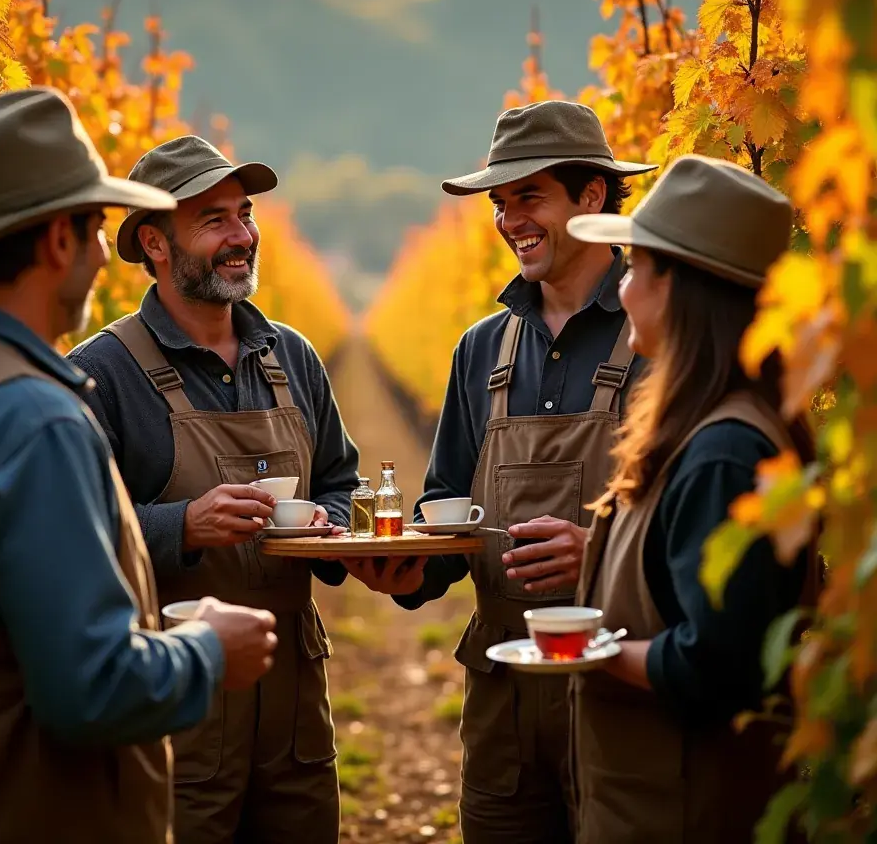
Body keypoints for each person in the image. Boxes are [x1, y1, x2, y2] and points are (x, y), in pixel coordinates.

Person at [0, 87, 280, 844]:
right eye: (92, 230)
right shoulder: (35, 420)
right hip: (50, 812)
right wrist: (209, 646)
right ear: (57, 241)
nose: (95, 256)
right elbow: (92, 688)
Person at [343, 100, 656, 843]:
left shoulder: (658, 333)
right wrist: (409, 571)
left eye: (529, 196)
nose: (511, 219)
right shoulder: (481, 349)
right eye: (500, 202)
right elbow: (448, 501)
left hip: (622, 686)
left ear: (592, 195)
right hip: (503, 701)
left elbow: (695, 523)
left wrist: (603, 557)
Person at [68, 134, 360, 844]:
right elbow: (70, 545)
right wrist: (180, 527)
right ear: (156, 245)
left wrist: (328, 528)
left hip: (294, 702)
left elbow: (339, 479)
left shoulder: (292, 356)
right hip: (175, 710)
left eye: (245, 213)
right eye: (215, 220)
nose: (242, 237)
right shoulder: (100, 374)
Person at [567, 153, 817, 843]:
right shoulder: (711, 433)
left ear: (678, 286)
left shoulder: (724, 456)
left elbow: (718, 661)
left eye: (635, 269)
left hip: (687, 813)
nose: (622, 291)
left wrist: (591, 650)